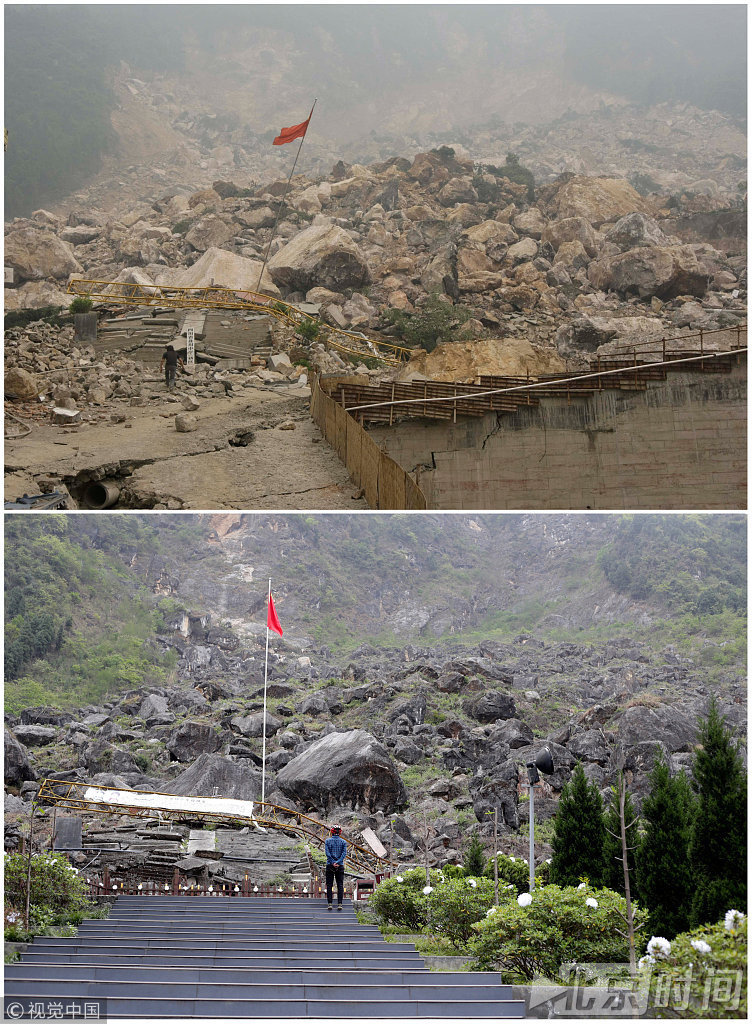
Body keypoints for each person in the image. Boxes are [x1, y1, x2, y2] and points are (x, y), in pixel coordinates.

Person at [324, 824, 347, 911]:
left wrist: (333, 862)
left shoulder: (327, 841)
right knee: (340, 884)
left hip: (330, 864)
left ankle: (330, 903)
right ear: (340, 832)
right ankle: (340, 904)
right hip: (340, 865)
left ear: (332, 832)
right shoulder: (343, 842)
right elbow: (344, 854)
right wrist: (338, 862)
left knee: (329, 885)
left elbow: (327, 853)